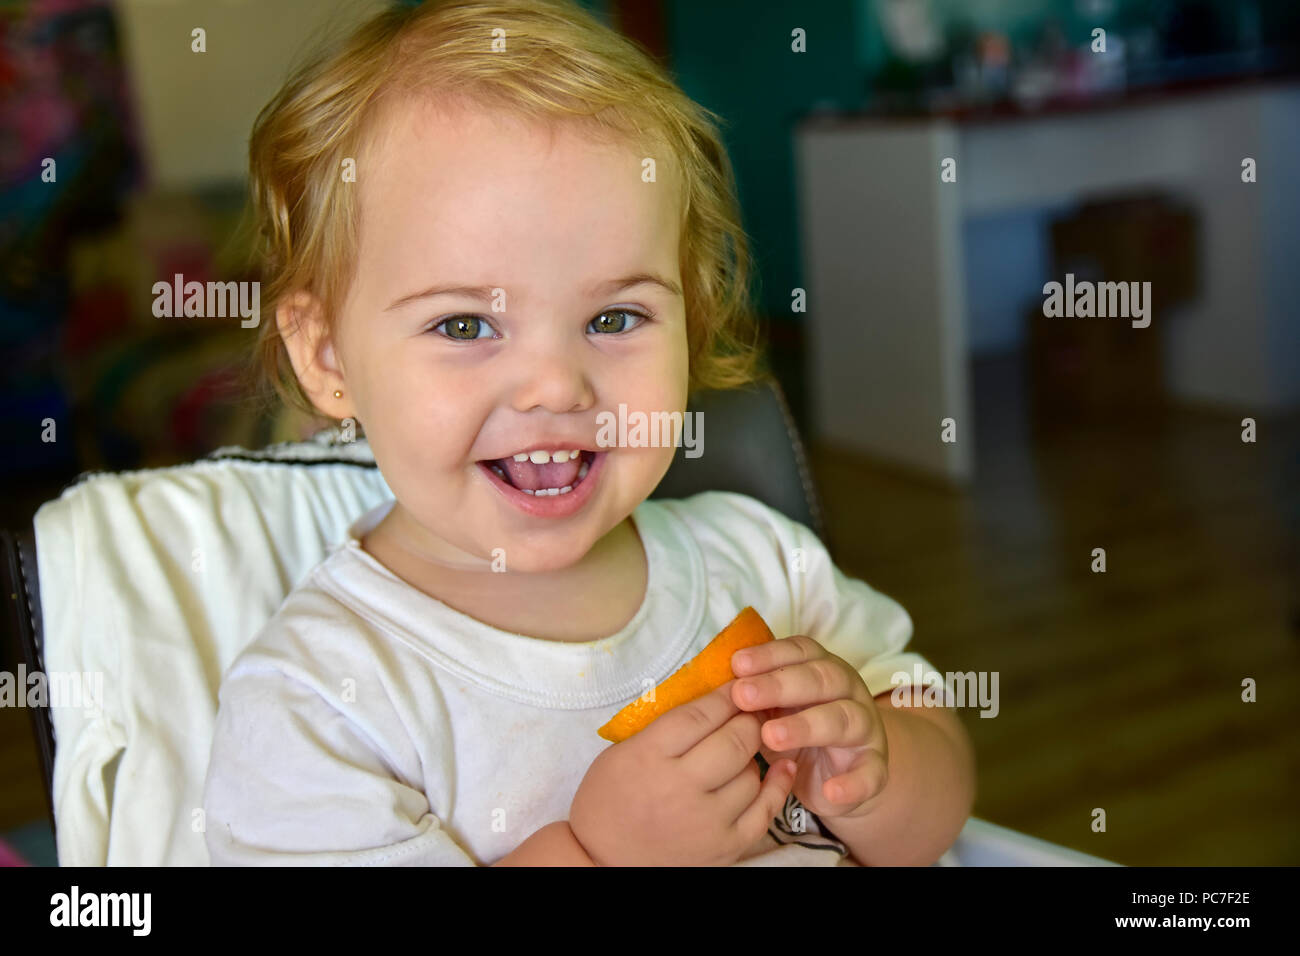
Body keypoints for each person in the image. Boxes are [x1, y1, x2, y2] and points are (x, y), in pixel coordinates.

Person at [203, 0, 975, 866]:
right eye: (464, 326)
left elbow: (935, 821)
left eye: (615, 316)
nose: (555, 385)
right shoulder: (322, 699)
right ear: (327, 354)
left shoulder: (763, 562)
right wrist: (601, 855)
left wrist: (873, 764)